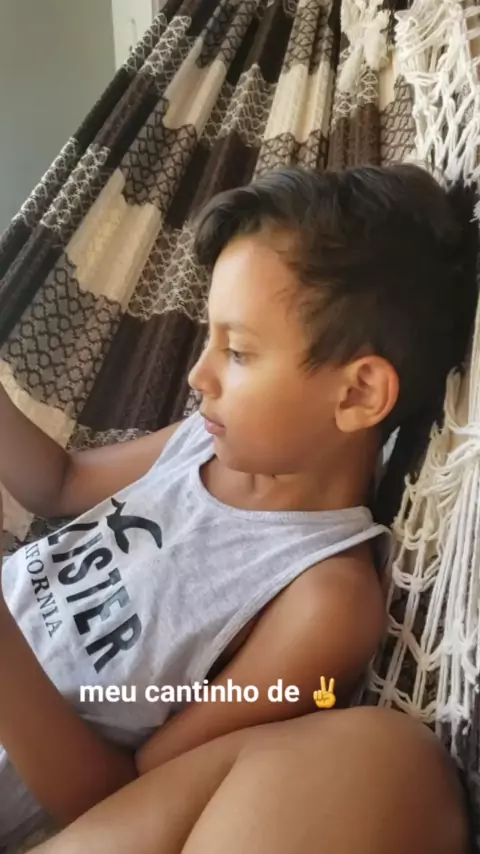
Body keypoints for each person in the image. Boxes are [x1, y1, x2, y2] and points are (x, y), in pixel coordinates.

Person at [0, 164, 476, 850]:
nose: (200, 375)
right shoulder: (203, 442)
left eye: (239, 352)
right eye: (209, 340)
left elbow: (127, 798)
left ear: (358, 395)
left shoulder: (323, 599)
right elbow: (61, 483)